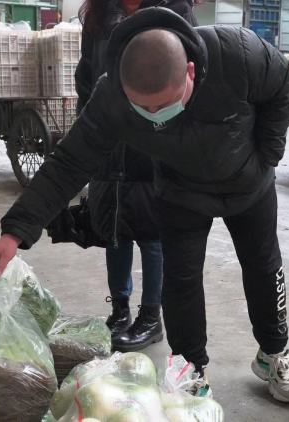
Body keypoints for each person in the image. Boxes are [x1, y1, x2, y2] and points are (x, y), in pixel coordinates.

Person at [0, 8, 289, 403]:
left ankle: (273, 353)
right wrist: (14, 232)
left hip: (250, 187)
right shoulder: (112, 96)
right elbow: (69, 162)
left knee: (264, 268)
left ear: (191, 73)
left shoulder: (238, 54)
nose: (154, 118)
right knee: (180, 281)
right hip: (181, 192)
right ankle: (189, 370)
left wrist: (267, 155)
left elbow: (282, 84)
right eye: (143, 110)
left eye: (164, 106)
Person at [73, 0, 197, 352]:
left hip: (154, 138)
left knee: (151, 232)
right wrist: (89, 122)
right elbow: (86, 74)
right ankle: (120, 309)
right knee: (114, 229)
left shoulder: (174, 10)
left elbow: (192, 76)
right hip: (109, 140)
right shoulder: (99, 14)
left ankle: (151, 316)